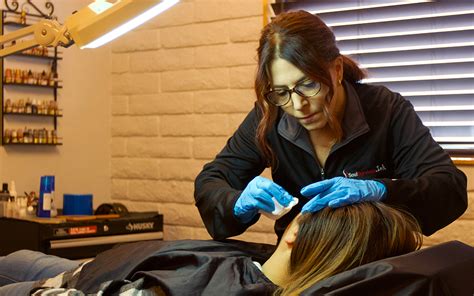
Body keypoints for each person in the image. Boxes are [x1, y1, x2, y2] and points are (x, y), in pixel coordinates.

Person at [193, 10, 468, 241]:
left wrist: (381, 191)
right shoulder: (270, 115)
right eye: (281, 91)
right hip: (301, 263)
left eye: (308, 84)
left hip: (372, 265)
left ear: (336, 70)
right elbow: (211, 181)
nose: (297, 105)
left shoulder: (386, 110)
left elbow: (449, 188)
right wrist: (238, 203)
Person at [0, 202, 422, 295]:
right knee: (14, 259)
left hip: (75, 284)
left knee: (12, 268)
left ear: (294, 235)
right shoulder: (265, 272)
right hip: (106, 266)